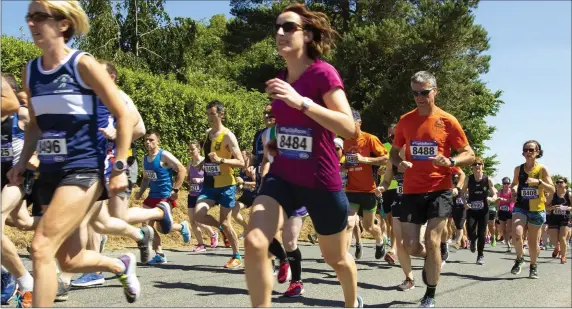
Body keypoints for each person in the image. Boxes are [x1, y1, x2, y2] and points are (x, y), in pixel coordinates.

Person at [8, 1, 140, 306]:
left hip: (83, 168)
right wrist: (22, 160)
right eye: (29, 17)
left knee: (40, 247)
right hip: (50, 171)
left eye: (39, 17)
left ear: (63, 24)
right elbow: (35, 128)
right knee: (67, 260)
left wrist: (119, 168)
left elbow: (122, 116)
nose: (31, 23)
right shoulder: (31, 71)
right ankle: (120, 265)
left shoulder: (83, 65)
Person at [244, 3, 362, 307]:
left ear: (307, 34)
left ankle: (352, 303)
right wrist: (275, 147)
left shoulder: (323, 73)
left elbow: (349, 128)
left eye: (289, 27)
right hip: (283, 176)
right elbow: (292, 132)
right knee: (256, 240)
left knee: (335, 258)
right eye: (277, 28)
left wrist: (302, 102)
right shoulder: (281, 79)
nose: (280, 33)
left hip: (321, 180)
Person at [390, 71, 475, 307]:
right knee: (410, 246)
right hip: (411, 190)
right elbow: (394, 152)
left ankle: (430, 293)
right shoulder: (405, 120)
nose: (419, 97)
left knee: (433, 239)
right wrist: (399, 162)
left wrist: (452, 162)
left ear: (435, 91)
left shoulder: (447, 120)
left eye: (424, 92)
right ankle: (434, 259)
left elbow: (469, 154)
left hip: (440, 188)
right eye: (415, 93)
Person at [70, 59, 154, 287]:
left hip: (116, 163)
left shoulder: (119, 95)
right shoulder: (91, 95)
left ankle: (92, 268)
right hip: (95, 162)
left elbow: (140, 128)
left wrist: (115, 134)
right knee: (100, 220)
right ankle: (140, 236)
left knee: (96, 218)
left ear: (112, 77)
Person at [193, 100, 245, 269]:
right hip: (209, 183)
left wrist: (221, 159)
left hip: (226, 184)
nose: (210, 117)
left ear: (221, 114)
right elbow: (209, 157)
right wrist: (203, 163)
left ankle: (236, 256)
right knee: (198, 215)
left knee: (227, 222)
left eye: (213, 114)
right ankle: (221, 228)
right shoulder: (208, 133)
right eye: (208, 114)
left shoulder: (228, 135)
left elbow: (241, 162)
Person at [134, 130, 190, 265]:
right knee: (146, 226)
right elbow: (146, 179)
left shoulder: (164, 155)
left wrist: (175, 189)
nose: (148, 142)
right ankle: (159, 254)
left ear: (158, 141)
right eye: (146, 140)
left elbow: (182, 169)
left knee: (163, 228)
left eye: (151, 140)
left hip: (165, 197)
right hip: (152, 196)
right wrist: (140, 192)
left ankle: (182, 227)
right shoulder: (145, 159)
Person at [344, 110, 388, 260]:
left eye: (351, 123)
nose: (348, 127)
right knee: (349, 223)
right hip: (351, 189)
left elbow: (386, 158)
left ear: (359, 123)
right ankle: (344, 258)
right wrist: (342, 167)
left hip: (369, 190)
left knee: (369, 226)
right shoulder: (346, 141)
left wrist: (365, 160)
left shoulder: (370, 139)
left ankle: (380, 240)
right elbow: (347, 163)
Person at [375, 146, 418, 291]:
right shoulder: (392, 160)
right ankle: (409, 279)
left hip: (418, 203)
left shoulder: (417, 157)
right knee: (400, 244)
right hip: (399, 202)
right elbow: (386, 180)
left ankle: (433, 257)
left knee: (414, 245)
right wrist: (381, 187)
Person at [509, 140, 555, 278]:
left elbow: (552, 189)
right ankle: (519, 259)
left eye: (531, 150)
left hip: (537, 209)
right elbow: (514, 184)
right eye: (525, 150)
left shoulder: (542, 169)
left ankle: (533, 266)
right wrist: (514, 190)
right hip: (521, 207)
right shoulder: (518, 169)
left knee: (533, 243)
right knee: (517, 233)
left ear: (537, 152)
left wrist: (539, 182)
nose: (528, 152)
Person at [460, 157, 497, 265]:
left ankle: (480, 255)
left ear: (482, 166)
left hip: (483, 210)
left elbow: (494, 192)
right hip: (471, 208)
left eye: (479, 164)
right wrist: (465, 203)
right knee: (470, 229)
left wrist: (493, 198)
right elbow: (462, 193)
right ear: (472, 167)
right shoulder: (469, 179)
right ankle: (472, 241)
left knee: (482, 233)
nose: (477, 166)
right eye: (475, 164)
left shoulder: (487, 179)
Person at [186, 140, 218, 252]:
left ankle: (213, 233)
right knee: (192, 221)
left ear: (198, 149)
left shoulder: (204, 162)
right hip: (192, 194)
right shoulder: (189, 163)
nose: (190, 151)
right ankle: (201, 244)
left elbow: (212, 177)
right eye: (189, 149)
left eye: (192, 149)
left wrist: (200, 180)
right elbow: (187, 177)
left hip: (202, 194)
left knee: (199, 220)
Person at [546, 176, 570, 264]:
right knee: (553, 239)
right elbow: (546, 206)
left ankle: (563, 256)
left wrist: (564, 208)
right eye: (557, 182)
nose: (559, 184)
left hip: (565, 219)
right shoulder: (552, 194)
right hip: (553, 219)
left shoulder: (569, 194)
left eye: (561, 182)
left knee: (563, 238)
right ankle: (557, 248)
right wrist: (553, 207)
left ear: (565, 184)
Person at [496, 177, 514, 252]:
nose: (506, 185)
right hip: (502, 211)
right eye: (504, 183)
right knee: (503, 230)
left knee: (509, 229)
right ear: (502, 184)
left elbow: (513, 200)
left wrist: (504, 199)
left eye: (507, 183)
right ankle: (508, 245)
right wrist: (497, 211)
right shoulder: (500, 191)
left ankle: (514, 240)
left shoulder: (512, 191)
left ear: (510, 184)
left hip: (510, 211)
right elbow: (497, 202)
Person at [451, 168, 467, 250]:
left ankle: (457, 242)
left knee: (460, 226)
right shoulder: (451, 183)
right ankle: (464, 240)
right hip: (454, 206)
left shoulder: (463, 183)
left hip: (462, 207)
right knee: (457, 226)